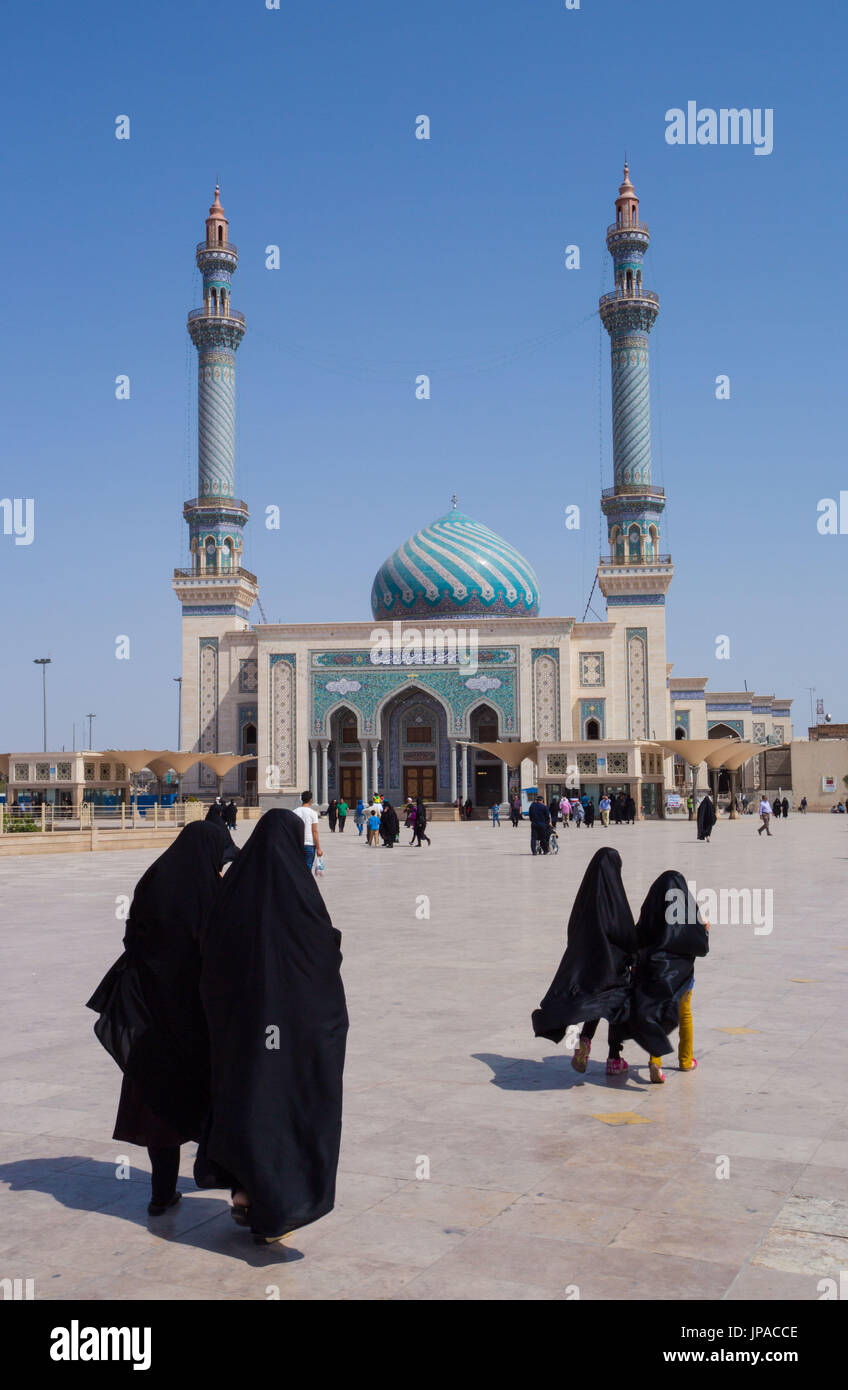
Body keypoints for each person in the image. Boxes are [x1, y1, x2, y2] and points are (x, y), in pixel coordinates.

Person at [194, 810, 348, 1243]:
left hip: (243, 1028)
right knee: (286, 1105)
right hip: (293, 1029)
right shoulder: (299, 893)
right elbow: (322, 951)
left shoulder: (232, 892)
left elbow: (211, 953)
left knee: (249, 1100)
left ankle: (245, 1190)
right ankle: (277, 1199)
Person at [86, 821, 237, 1216]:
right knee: (219, 1098)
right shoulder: (212, 892)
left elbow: (132, 938)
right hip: (198, 1018)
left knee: (161, 1105)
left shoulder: (153, 881)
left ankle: (161, 1193)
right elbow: (224, 952)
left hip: (151, 1013)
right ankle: (238, 1189)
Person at [532, 847, 637, 1076]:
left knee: (594, 1002)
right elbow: (625, 929)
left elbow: (572, 930)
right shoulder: (615, 896)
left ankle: (585, 1041)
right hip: (614, 965)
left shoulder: (585, 899)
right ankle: (613, 1057)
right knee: (615, 1006)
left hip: (591, 964)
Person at [624, 870, 710, 1084]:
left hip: (655, 969)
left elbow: (640, 934)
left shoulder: (652, 908)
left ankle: (656, 1059)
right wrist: (705, 928)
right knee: (685, 1012)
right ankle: (685, 1059)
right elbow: (701, 940)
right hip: (681, 973)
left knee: (657, 1013)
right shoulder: (687, 908)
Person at [292, 790, 322, 871]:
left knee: (297, 869)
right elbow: (314, 831)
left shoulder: (294, 812)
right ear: (311, 800)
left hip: (297, 844)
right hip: (309, 844)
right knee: (307, 870)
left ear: (301, 799)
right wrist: (319, 848)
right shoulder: (313, 813)